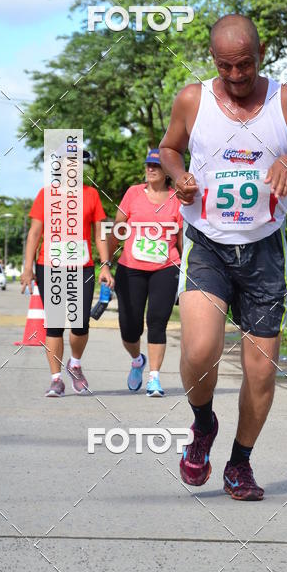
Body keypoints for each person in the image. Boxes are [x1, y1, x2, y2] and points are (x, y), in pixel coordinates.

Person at [159, 14, 287, 501]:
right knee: (200, 350)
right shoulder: (193, 99)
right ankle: (203, 423)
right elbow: (168, 148)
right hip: (207, 242)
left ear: (262, 52)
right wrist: (178, 174)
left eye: (244, 65)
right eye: (225, 66)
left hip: (265, 248)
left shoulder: (286, 100)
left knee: (261, 372)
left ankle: (239, 464)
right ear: (213, 60)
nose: (235, 76)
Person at [20, 150, 113, 397]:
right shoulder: (46, 194)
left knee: (80, 323)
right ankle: (56, 379)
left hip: (82, 267)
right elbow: (34, 234)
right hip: (49, 266)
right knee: (54, 326)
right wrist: (27, 268)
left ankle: (75, 364)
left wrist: (105, 265)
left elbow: (99, 233)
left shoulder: (91, 195)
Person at [105, 149, 183, 395]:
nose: (150, 169)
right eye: (148, 164)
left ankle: (154, 379)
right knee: (129, 328)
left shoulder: (177, 199)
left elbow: (181, 239)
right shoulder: (133, 193)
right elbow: (117, 230)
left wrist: (188, 271)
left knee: (157, 322)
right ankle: (137, 360)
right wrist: (106, 264)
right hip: (130, 269)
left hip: (166, 267)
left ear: (167, 172)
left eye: (156, 166)